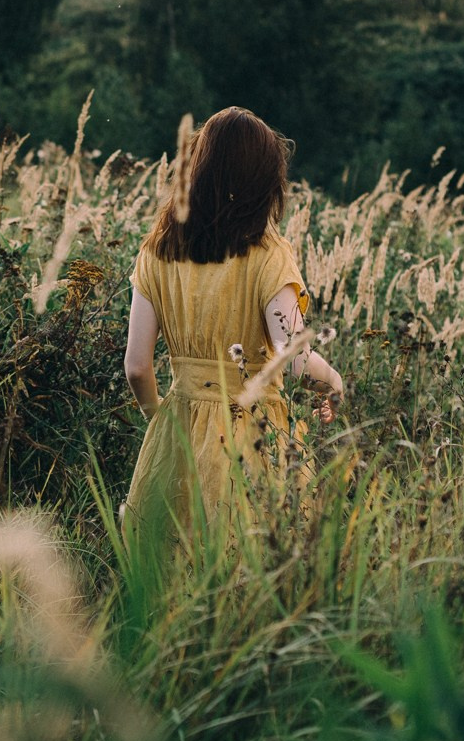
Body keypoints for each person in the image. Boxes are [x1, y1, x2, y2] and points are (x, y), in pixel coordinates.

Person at [121, 106, 345, 528]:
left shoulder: (158, 251)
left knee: (170, 573)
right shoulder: (269, 256)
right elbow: (295, 360)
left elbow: (136, 368)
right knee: (250, 569)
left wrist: (164, 423)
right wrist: (332, 382)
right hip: (252, 438)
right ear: (264, 181)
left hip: (178, 434)